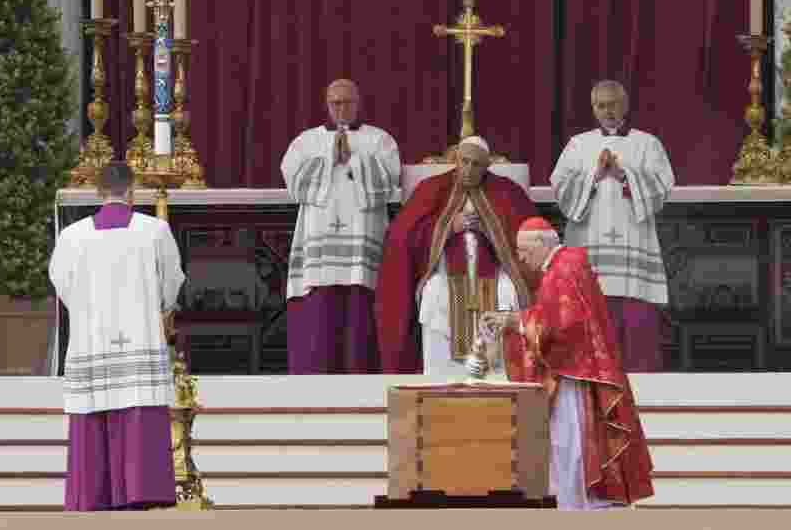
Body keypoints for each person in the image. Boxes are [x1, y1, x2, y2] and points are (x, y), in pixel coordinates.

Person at [485, 217, 654, 510]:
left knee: (571, 445)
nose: (521, 259)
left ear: (541, 243)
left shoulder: (564, 269)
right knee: (569, 446)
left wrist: (513, 321)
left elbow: (561, 326)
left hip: (575, 378)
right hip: (576, 370)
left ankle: (579, 505)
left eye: (524, 251)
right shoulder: (563, 267)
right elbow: (554, 316)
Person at [49, 161, 183, 511]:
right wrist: (162, 307)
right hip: (139, 335)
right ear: (132, 190)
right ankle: (140, 491)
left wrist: (85, 310)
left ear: (98, 191)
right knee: (137, 405)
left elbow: (60, 283)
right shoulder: (155, 231)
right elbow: (172, 282)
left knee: (93, 407)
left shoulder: (72, 236)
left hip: (91, 338)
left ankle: (92, 494)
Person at [375, 136, 537, 374]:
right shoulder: (432, 188)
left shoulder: (506, 191)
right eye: (465, 162)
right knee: (434, 294)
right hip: (444, 275)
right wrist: (448, 227)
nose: (469, 169)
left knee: (507, 293)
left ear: (487, 166)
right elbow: (401, 238)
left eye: (476, 164)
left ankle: (497, 380)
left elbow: (527, 237)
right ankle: (441, 378)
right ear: (456, 160)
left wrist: (491, 229)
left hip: (494, 275)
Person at [550, 80, 675, 373]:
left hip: (634, 243)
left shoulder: (647, 143)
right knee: (587, 319)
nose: (608, 110)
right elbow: (561, 186)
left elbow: (663, 186)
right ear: (593, 108)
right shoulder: (578, 144)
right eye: (601, 105)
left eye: (613, 104)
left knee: (635, 321)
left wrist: (622, 175)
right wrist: (594, 175)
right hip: (588, 243)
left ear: (625, 105)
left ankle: (644, 391)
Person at [280, 79, 401, 373]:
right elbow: (293, 181)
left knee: (360, 309)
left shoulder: (379, 140)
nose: (342, 109)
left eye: (347, 102)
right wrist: (330, 158)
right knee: (320, 314)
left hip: (363, 238)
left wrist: (355, 160)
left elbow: (389, 181)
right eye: (335, 103)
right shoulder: (307, 141)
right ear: (327, 104)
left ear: (358, 103)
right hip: (318, 240)